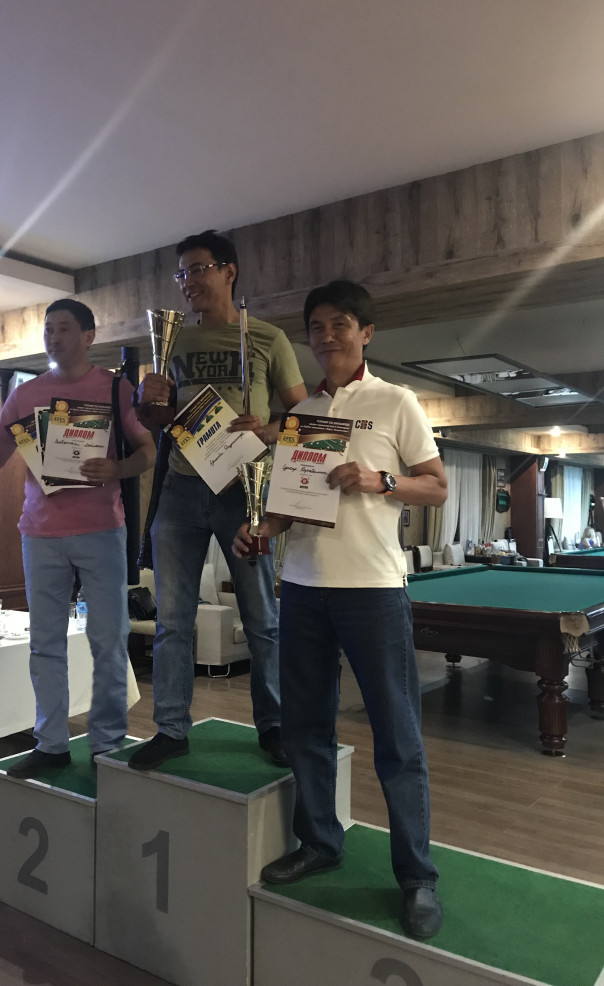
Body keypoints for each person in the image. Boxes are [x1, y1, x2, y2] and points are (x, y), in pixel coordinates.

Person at [233, 280, 447, 940]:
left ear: (366, 332)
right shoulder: (301, 415)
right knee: (305, 726)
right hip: (301, 586)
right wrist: (261, 529)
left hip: (374, 590)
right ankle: (320, 842)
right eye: (317, 327)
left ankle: (417, 876)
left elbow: (437, 486)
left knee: (397, 735)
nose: (327, 337)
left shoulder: (396, 401)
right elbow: (291, 504)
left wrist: (380, 481)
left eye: (340, 324)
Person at [0, 299, 156, 777]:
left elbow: (148, 450)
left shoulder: (115, 388)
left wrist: (117, 468)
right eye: (48, 329)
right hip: (39, 533)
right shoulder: (26, 394)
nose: (53, 338)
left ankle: (107, 744)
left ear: (88, 336)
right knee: (45, 644)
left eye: (64, 329)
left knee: (109, 641)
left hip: (101, 531)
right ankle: (51, 742)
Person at [129, 230, 308, 771]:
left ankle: (274, 726)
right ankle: (170, 729)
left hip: (244, 490)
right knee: (172, 619)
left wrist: (268, 430)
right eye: (181, 273)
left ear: (229, 272)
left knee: (262, 618)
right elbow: (157, 422)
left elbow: (303, 417)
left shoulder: (267, 338)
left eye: (198, 269)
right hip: (181, 489)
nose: (188, 281)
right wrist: (144, 401)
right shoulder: (173, 343)